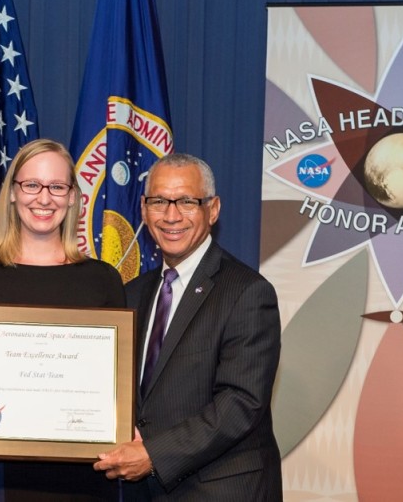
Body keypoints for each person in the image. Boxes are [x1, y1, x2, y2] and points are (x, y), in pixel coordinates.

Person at [0, 139, 124, 501]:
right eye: (31, 185)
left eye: (57, 186)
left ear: (72, 196)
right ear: (11, 193)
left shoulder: (103, 280)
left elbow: (117, 385)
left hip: (84, 478)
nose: (44, 198)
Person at [94, 153, 283, 501]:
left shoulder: (248, 293)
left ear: (213, 209)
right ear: (143, 208)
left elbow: (241, 402)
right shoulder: (133, 294)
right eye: (159, 201)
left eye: (186, 201)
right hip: (143, 492)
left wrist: (154, 454)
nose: (171, 215)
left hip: (219, 490)